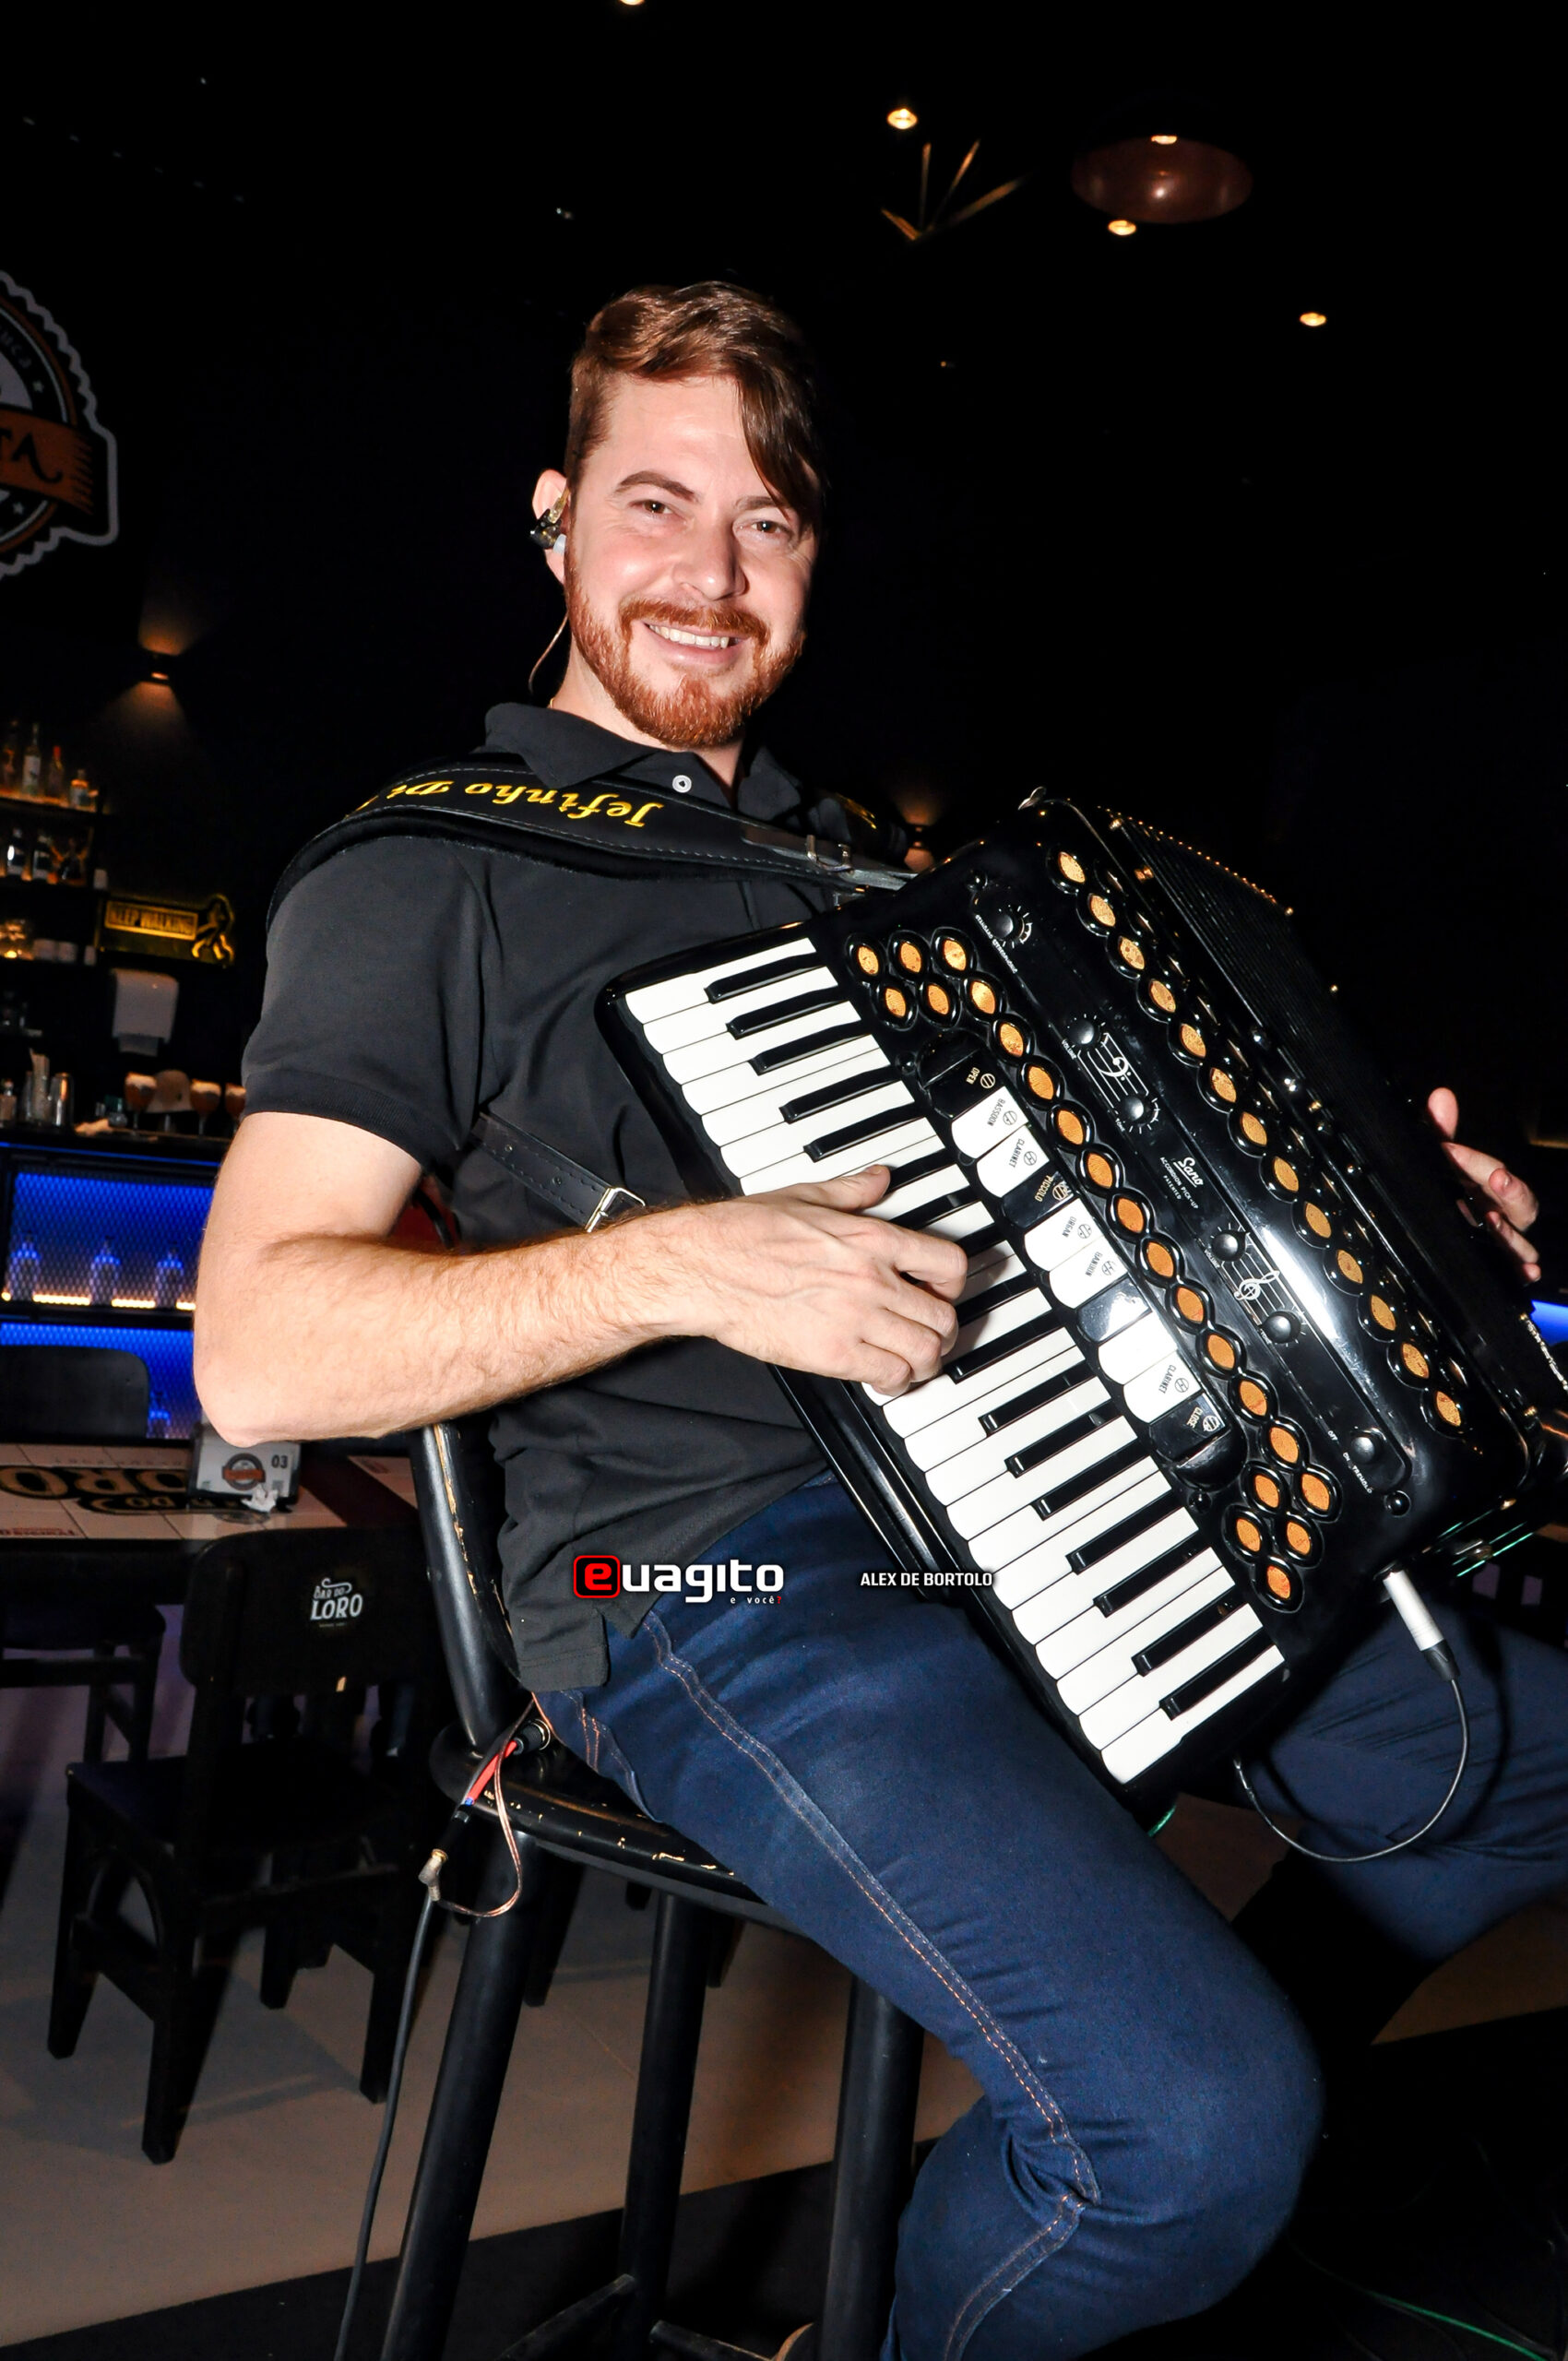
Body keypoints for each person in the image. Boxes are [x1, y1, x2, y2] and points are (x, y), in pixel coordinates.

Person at [196, 282, 1567, 2361]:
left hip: (1052, 1497)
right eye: (656, 504)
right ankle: (1135, 2149)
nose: (710, 571)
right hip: (702, 1575)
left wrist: (1379, 1231)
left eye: (767, 521)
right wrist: (684, 1261)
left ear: (815, 561)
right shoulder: (426, 875)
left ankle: (1181, 2068)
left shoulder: (870, 882)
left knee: (1534, 1774)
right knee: (1188, 2130)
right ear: (555, 519)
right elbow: (259, 1347)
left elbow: (1117, 1231)